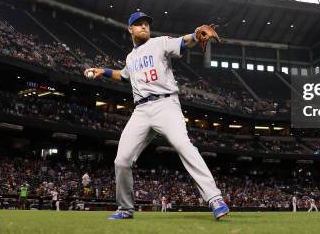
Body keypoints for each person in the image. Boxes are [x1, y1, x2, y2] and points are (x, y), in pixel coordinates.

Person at [86, 12, 227, 220]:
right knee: (122, 160)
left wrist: (197, 35)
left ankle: (215, 199)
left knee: (183, 145)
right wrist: (102, 71)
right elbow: (123, 75)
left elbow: (183, 42)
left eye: (146, 24)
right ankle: (125, 208)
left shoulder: (160, 43)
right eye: (138, 24)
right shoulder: (131, 57)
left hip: (165, 104)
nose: (144, 27)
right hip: (141, 111)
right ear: (130, 30)